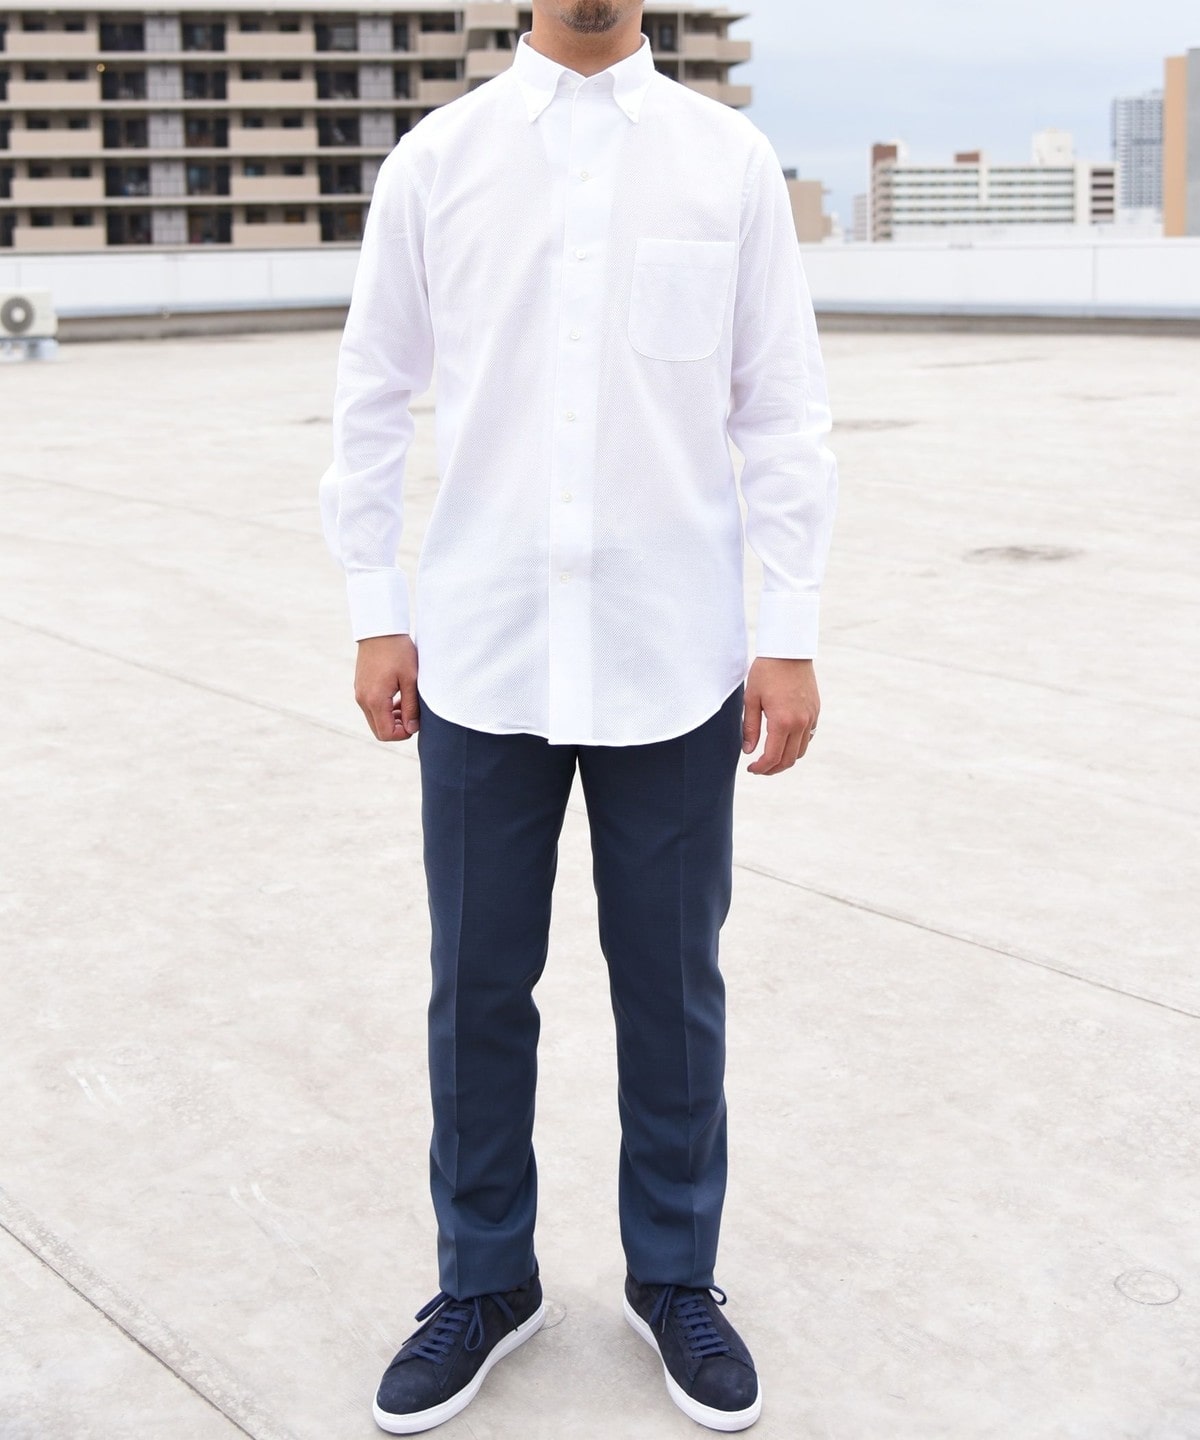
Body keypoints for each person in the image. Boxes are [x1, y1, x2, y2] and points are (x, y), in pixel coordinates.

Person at [319, 0, 838, 1432]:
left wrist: (788, 633)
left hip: (673, 654)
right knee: (476, 987)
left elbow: (781, 411)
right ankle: (486, 1280)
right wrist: (375, 604)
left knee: (672, 990)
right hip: (481, 650)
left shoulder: (726, 161)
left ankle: (675, 1274)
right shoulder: (439, 160)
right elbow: (373, 392)